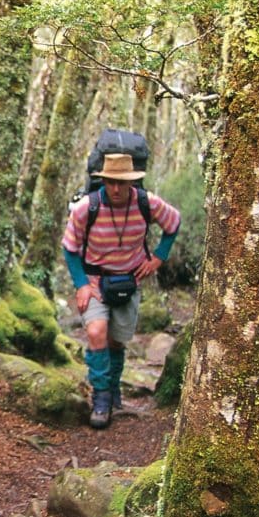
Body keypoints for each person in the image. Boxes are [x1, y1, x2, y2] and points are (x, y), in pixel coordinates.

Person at [61, 152, 180, 429]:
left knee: (117, 341)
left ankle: (113, 390)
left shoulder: (146, 203)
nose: (116, 189)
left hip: (129, 281)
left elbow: (174, 224)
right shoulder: (85, 209)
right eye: (110, 182)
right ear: (102, 180)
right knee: (95, 332)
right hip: (94, 281)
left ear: (132, 182)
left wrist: (158, 257)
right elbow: (69, 248)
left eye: (122, 183)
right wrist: (80, 284)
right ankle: (100, 398)